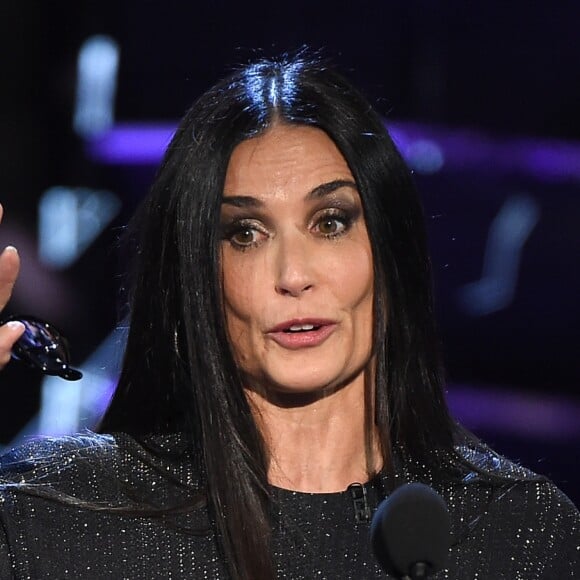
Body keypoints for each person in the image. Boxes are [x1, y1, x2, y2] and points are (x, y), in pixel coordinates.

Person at [0, 52, 578, 579]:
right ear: (196, 272)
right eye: (245, 233)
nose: (294, 274)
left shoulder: (516, 533)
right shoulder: (56, 515)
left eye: (330, 222)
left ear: (389, 250)